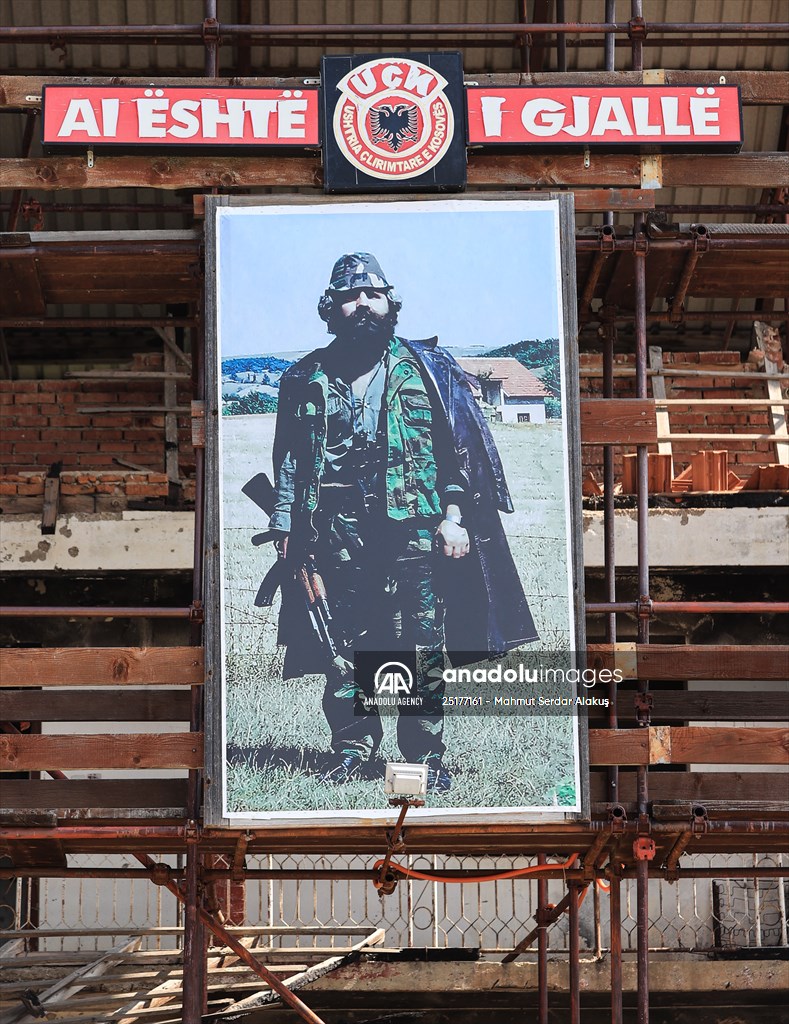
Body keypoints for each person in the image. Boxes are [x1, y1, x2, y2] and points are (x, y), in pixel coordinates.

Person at [267, 252, 538, 791]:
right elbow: (290, 462)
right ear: (330, 308)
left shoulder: (429, 370)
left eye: (371, 295)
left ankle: (423, 759)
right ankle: (352, 748)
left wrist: (455, 517)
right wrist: (286, 536)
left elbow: (457, 454)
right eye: (348, 296)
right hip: (337, 532)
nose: (361, 304)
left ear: (391, 304)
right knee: (344, 645)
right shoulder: (303, 377)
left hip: (416, 528)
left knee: (421, 646)